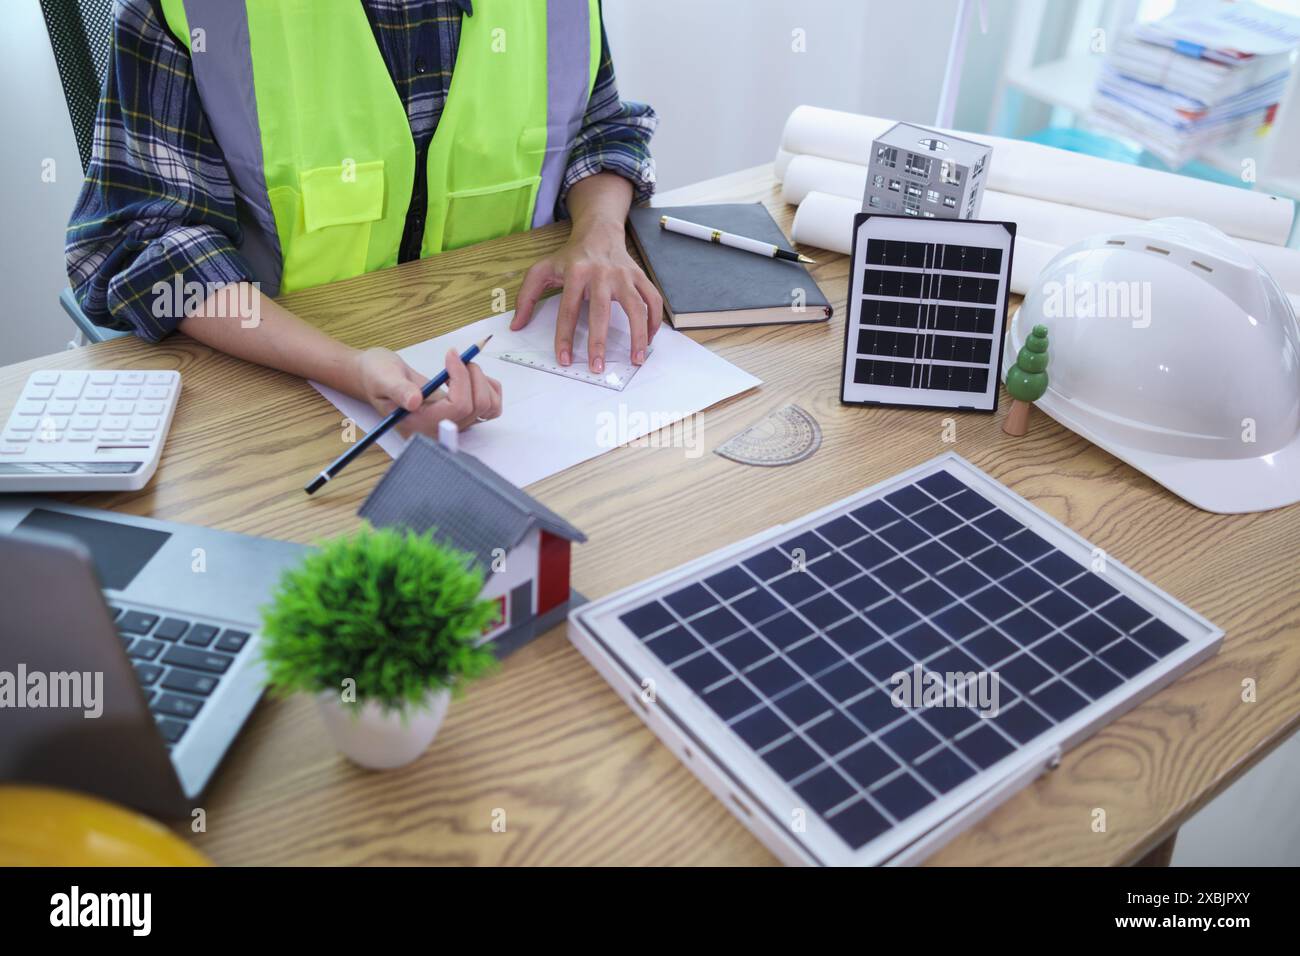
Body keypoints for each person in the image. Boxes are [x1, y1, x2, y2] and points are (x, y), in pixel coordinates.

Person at [66, 0, 659, 436]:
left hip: (518, 384)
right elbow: (145, 245)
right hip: (277, 402)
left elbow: (599, 129)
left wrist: (599, 234)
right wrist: (350, 370)